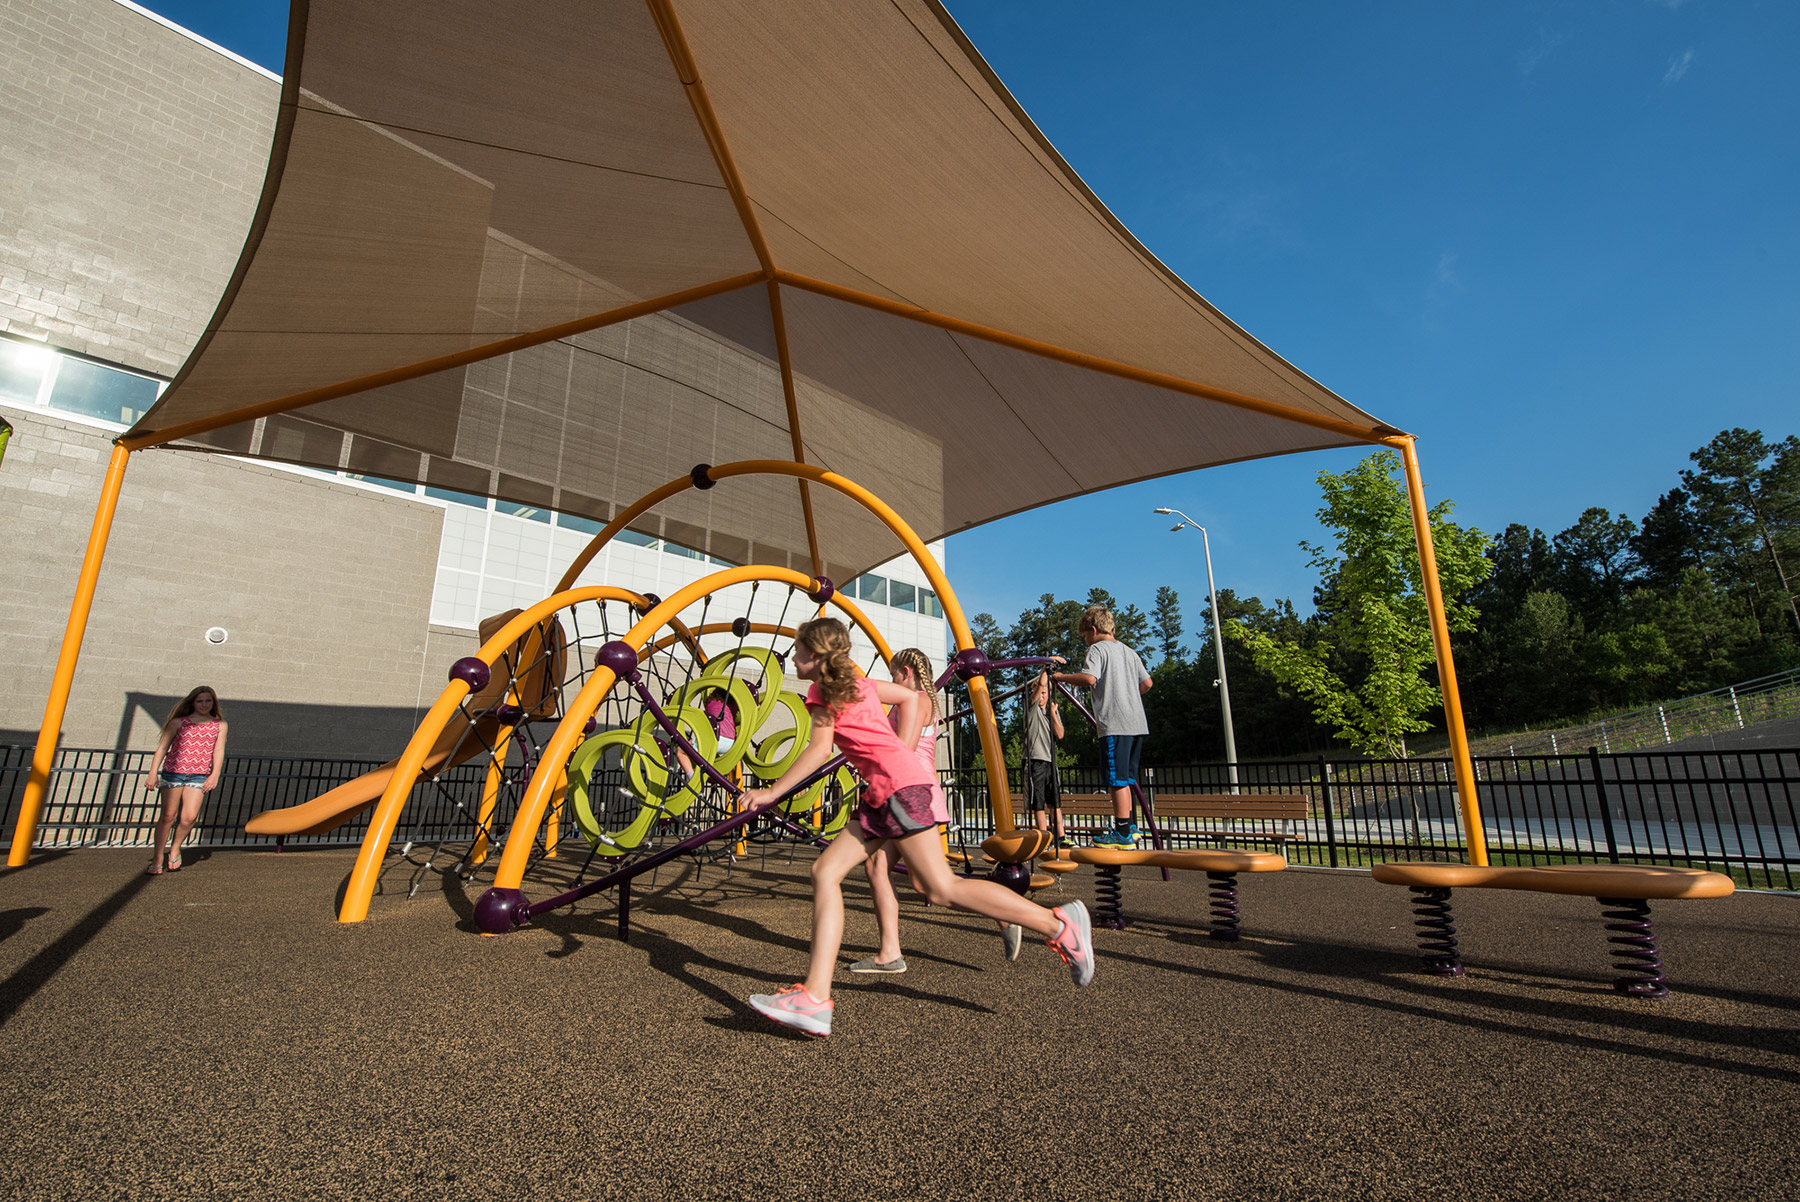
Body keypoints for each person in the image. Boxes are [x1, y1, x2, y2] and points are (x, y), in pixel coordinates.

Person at [744, 618, 1094, 1037]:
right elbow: (911, 698)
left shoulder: (823, 691)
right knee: (826, 871)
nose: (794, 657)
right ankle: (814, 998)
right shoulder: (859, 682)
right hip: (887, 790)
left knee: (940, 889)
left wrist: (771, 792)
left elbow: (819, 750)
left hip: (898, 789)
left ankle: (1059, 925)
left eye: (799, 650)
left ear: (815, 655)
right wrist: (901, 749)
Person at [847, 647, 946, 976]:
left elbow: (905, 748)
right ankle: (889, 952)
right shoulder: (922, 700)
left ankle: (1007, 912)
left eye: (893, 675)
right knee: (904, 876)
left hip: (910, 793)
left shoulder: (917, 700)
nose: (892, 681)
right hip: (910, 791)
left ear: (906, 672)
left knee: (934, 885)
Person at [1050, 605, 1151, 847]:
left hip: (1115, 723)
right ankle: (1129, 826)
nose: (1085, 641)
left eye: (1085, 636)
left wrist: (1061, 678)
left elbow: (1089, 678)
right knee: (1127, 779)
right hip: (1137, 724)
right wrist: (1128, 693)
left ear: (1093, 630)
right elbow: (1147, 683)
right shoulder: (1129, 652)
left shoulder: (1097, 649)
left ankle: (1122, 833)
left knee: (1115, 779)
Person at [141, 686, 228, 874]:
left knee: (189, 817)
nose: (204, 704)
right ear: (193, 703)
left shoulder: (220, 725)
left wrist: (215, 774)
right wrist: (153, 772)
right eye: (199, 701)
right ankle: (158, 857)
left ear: (213, 702)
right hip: (173, 773)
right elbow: (163, 748)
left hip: (199, 775)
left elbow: (219, 750)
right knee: (168, 816)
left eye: (208, 701)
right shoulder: (179, 722)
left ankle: (175, 848)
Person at [1022, 670, 1066, 848]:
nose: (1041, 697)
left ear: (1049, 695)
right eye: (1039, 693)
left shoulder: (1051, 712)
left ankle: (1061, 837)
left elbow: (1060, 734)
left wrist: (1053, 713)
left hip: (1049, 761)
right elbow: (1041, 684)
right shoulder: (1031, 708)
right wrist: (1046, 667)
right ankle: (1044, 837)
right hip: (1034, 759)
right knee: (1038, 802)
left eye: (1044, 694)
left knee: (1055, 801)